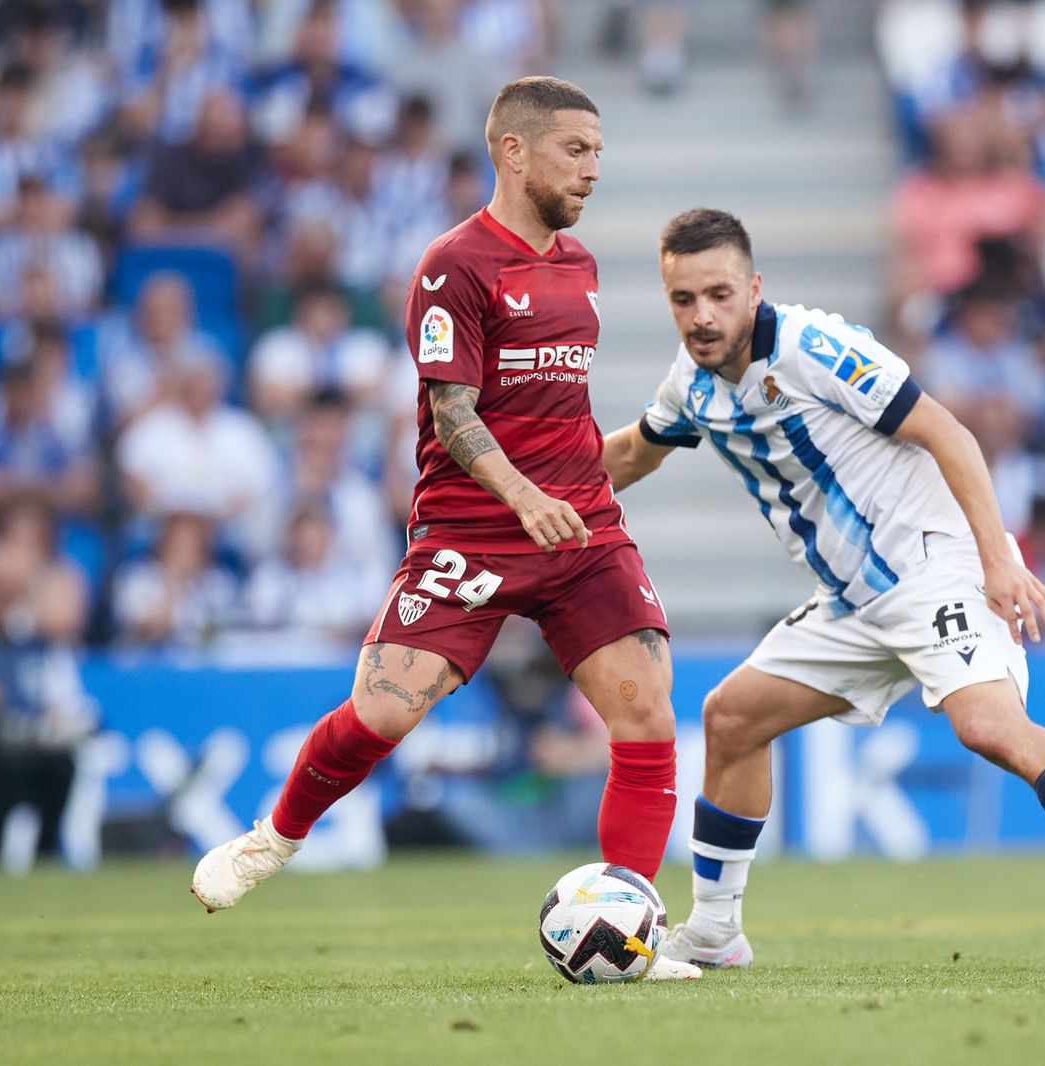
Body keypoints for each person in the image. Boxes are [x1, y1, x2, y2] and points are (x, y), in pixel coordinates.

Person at [188, 77, 699, 980]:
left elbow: (556, 412)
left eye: (598, 155)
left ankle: (630, 931)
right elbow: (453, 414)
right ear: (513, 150)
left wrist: (616, 460)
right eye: (575, 151)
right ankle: (274, 838)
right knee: (381, 713)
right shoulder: (452, 264)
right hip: (472, 533)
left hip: (579, 530)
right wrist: (521, 495)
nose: (591, 170)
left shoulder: (575, 265)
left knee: (646, 714)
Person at [603, 209, 1045, 967]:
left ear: (754, 288)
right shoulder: (691, 386)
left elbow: (946, 432)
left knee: (987, 726)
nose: (702, 315)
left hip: (930, 567)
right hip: (853, 602)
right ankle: (717, 932)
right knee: (730, 720)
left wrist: (997, 560)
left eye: (719, 293)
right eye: (683, 299)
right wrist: (519, 490)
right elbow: (628, 454)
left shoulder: (818, 348)